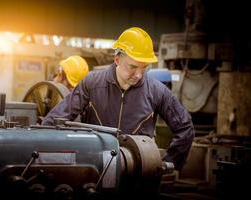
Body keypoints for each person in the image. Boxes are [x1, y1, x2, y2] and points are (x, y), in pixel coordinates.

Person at [42, 27, 194, 171]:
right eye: (133, 67)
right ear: (117, 59)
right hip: (96, 169)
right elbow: (56, 119)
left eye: (144, 67)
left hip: (138, 174)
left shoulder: (156, 91)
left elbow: (185, 127)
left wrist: (168, 163)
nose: (139, 75)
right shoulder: (91, 84)